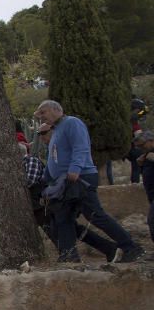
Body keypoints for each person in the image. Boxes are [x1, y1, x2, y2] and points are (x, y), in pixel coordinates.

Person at [35, 99, 145, 263]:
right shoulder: (57, 129)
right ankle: (69, 256)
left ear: (55, 109)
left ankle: (131, 247)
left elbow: (81, 146)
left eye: (43, 112)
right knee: (62, 217)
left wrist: (75, 168)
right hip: (64, 183)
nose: (41, 117)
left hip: (80, 178)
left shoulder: (72, 123)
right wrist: (48, 181)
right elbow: (55, 159)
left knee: (95, 215)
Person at [138, 130, 154, 243]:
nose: (141, 148)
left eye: (142, 145)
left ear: (151, 141)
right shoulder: (147, 154)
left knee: (152, 220)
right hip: (151, 194)